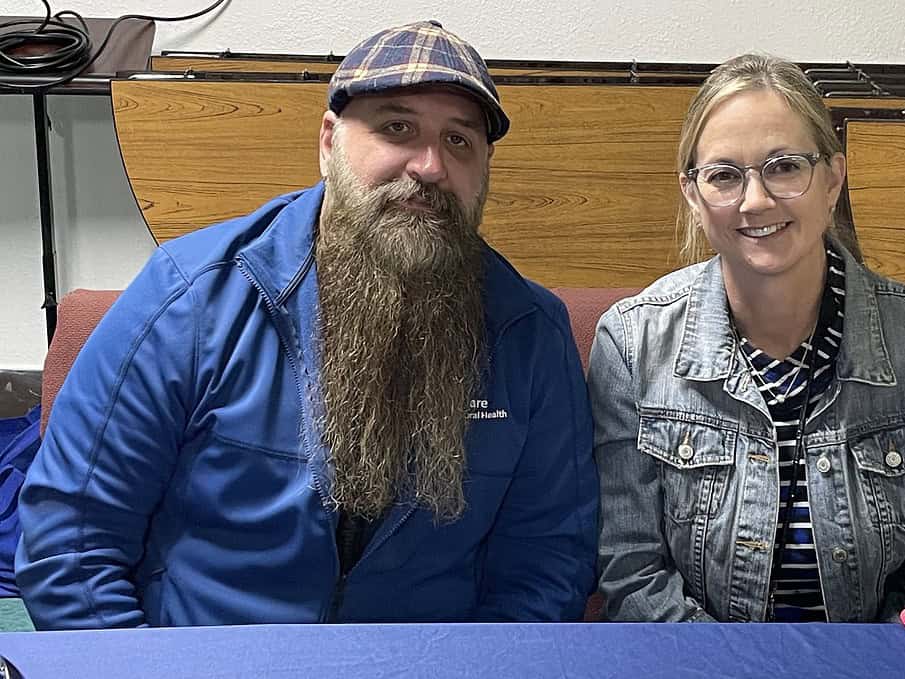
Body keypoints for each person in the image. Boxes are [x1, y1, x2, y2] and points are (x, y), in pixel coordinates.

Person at [16, 20, 598, 629]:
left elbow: (547, 561)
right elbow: (70, 543)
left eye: (459, 141)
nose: (429, 165)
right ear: (328, 143)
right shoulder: (189, 297)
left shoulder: (530, 331)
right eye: (396, 127)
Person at [589, 54, 905, 623]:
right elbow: (631, 573)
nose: (755, 200)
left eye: (784, 167)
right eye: (725, 175)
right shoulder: (631, 344)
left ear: (832, 178)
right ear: (692, 193)